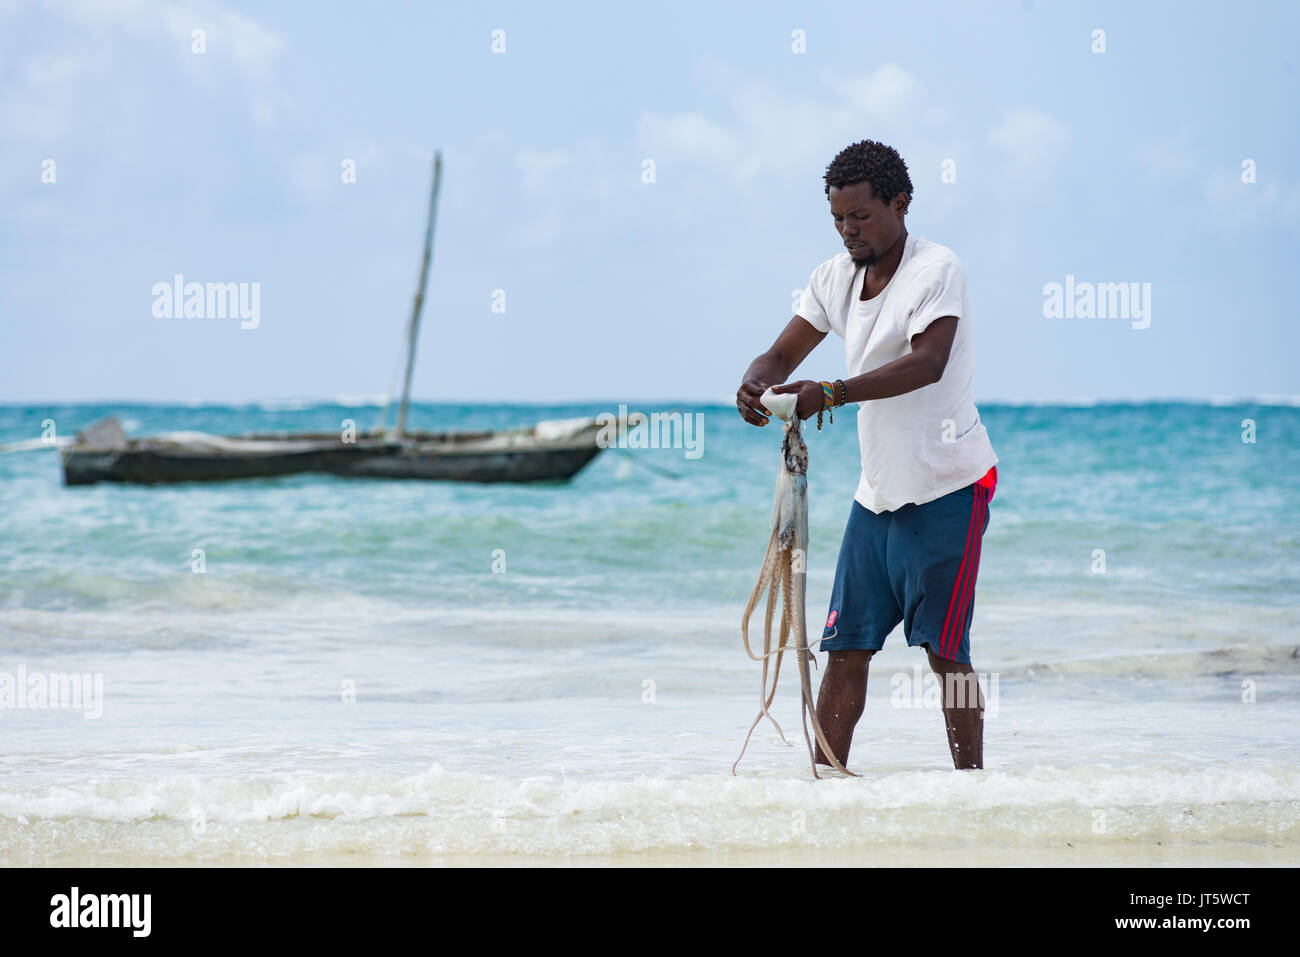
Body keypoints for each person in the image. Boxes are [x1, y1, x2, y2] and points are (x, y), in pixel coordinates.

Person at [735, 139, 998, 771]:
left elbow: (928, 363)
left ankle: (974, 789)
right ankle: (826, 788)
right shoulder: (834, 277)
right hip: (876, 494)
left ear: (900, 203)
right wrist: (753, 382)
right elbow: (781, 356)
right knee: (845, 647)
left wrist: (833, 392)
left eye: (861, 217)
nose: (849, 231)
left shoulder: (937, 270)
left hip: (948, 488)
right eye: (838, 219)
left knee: (946, 653)